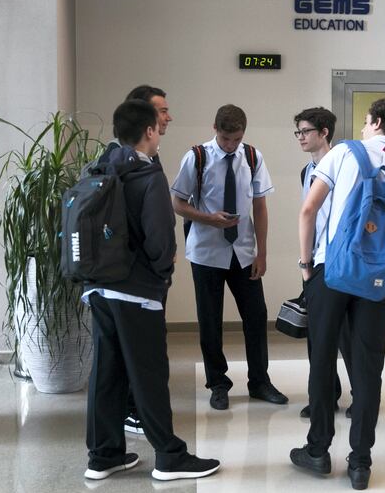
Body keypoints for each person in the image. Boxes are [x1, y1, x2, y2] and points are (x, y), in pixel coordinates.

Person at [83, 99, 219, 481]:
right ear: (149, 131)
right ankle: (170, 457)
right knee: (149, 373)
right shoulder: (147, 174)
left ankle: (104, 455)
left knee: (106, 373)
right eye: (159, 125)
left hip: (99, 288)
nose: (162, 130)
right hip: (136, 291)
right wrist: (161, 275)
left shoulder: (101, 166)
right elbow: (161, 241)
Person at [291, 98, 385, 490]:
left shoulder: (344, 152)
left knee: (322, 357)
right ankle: (361, 461)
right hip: (376, 284)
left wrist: (305, 266)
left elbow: (308, 211)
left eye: (366, 122)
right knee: (368, 371)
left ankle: (317, 450)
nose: (363, 128)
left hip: (330, 272)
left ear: (377, 122)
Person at [171, 104, 287, 410]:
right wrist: (209, 218)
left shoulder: (252, 157)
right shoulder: (196, 157)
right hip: (206, 251)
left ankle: (259, 381)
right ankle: (218, 383)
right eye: (225, 139)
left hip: (243, 250)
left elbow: (260, 207)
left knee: (256, 316)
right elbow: (178, 203)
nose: (230, 145)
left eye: (236, 139)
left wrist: (262, 252)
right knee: (210, 320)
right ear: (215, 129)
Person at [293, 107, 354, 419]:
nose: (301, 137)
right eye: (298, 132)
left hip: (338, 261)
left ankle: (360, 395)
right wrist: (305, 264)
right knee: (317, 334)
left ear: (324, 132)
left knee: (347, 335)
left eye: (306, 131)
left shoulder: (343, 166)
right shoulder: (307, 171)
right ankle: (325, 395)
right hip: (314, 260)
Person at [120, 84, 173, 435]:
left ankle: (107, 448)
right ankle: (159, 439)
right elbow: (155, 229)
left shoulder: (117, 161)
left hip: (120, 281)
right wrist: (162, 270)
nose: (168, 117)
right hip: (140, 281)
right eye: (161, 111)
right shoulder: (141, 167)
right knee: (144, 359)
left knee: (122, 360)